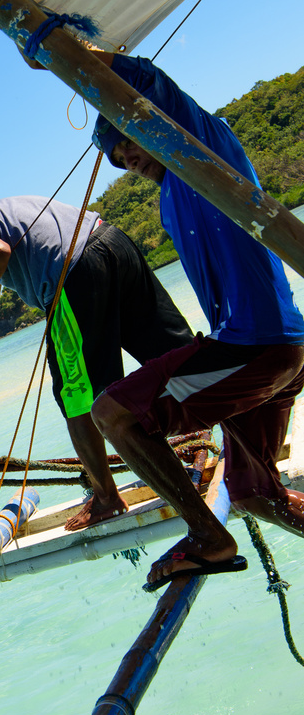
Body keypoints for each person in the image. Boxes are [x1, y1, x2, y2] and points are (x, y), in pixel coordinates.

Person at [88, 53, 304, 589]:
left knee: (114, 414)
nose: (128, 158)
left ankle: (208, 538)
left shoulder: (204, 153)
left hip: (260, 345)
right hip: (264, 348)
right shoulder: (169, 201)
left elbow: (144, 81)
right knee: (254, 494)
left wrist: (67, 51)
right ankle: (228, 524)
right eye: (118, 157)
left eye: (129, 141)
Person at [0, 196, 193, 529]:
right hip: (112, 243)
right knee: (175, 356)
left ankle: (106, 498)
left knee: (77, 397)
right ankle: (228, 435)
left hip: (75, 275)